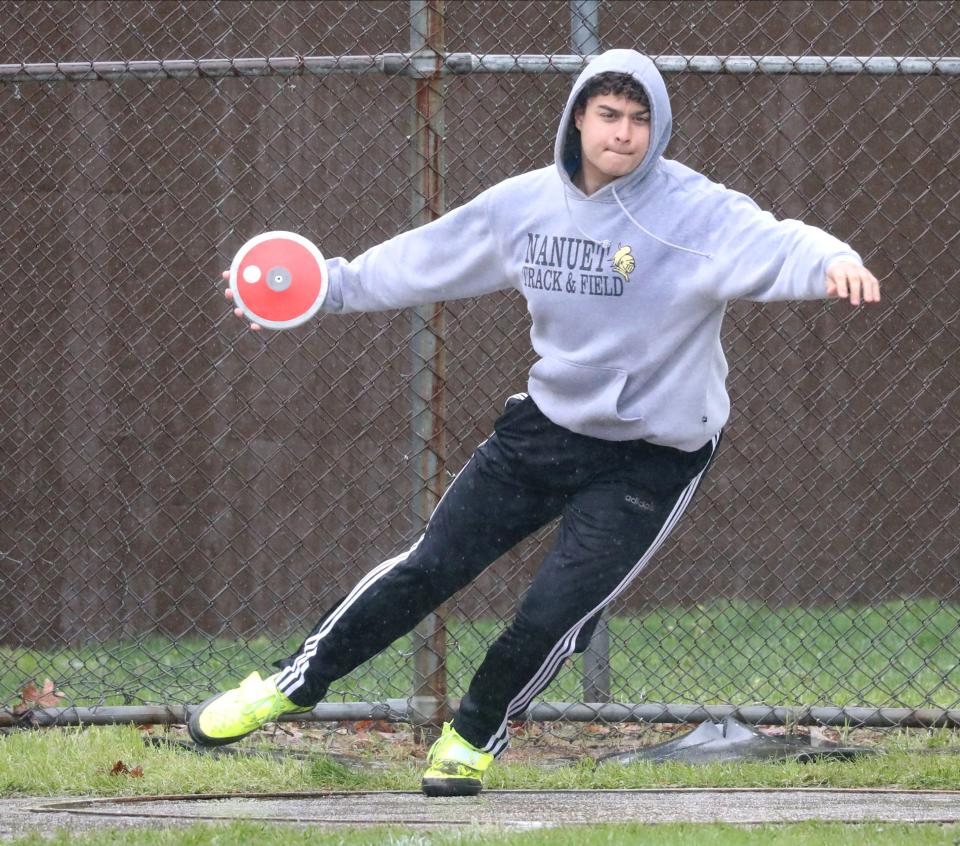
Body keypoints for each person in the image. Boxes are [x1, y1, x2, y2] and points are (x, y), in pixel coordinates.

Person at [189, 49, 880, 796]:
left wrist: (833, 260)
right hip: (545, 431)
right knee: (429, 567)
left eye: (640, 119)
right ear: (578, 117)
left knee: (555, 610)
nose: (623, 133)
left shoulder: (695, 212)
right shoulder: (525, 206)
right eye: (608, 115)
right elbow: (429, 258)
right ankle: (289, 687)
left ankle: (472, 735)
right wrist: (323, 288)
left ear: (659, 128)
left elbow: (776, 238)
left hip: (653, 455)